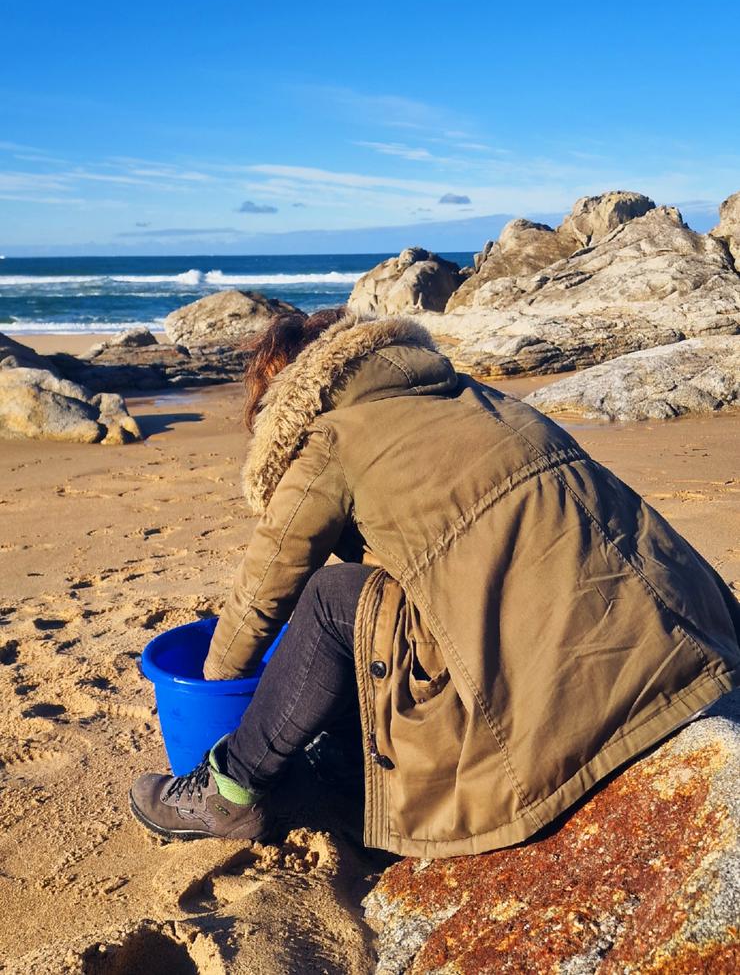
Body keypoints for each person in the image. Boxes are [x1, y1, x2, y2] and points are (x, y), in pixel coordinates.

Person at [129, 309, 740, 857]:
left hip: (558, 700)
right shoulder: (476, 397)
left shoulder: (333, 438)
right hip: (686, 635)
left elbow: (264, 589)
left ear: (285, 401)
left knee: (335, 598)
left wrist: (213, 688)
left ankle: (228, 793)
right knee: (390, 589)